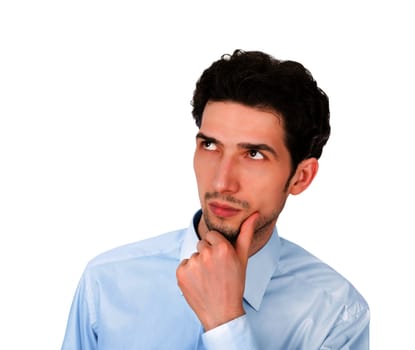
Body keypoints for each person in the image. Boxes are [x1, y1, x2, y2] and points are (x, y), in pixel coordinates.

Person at [61, 50, 370, 349]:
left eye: (254, 154)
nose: (222, 182)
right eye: (210, 145)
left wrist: (225, 324)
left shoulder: (337, 315)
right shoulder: (106, 282)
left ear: (300, 177)